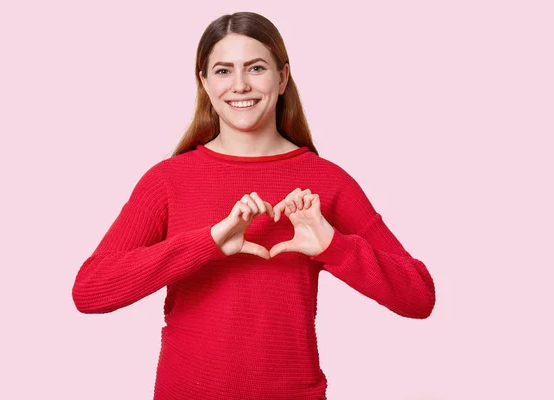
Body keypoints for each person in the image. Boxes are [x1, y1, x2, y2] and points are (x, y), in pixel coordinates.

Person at [71, 11, 436, 400]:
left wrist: (334, 246)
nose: (240, 85)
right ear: (205, 83)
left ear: (282, 78)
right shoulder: (167, 181)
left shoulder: (328, 182)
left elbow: (419, 297)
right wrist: (206, 244)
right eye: (224, 70)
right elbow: (90, 291)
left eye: (256, 67)